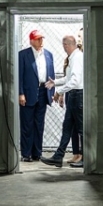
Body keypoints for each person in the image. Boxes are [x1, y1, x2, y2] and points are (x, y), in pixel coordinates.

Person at [42, 35, 83, 169]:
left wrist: (59, 91)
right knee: (67, 127)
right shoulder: (74, 57)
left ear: (66, 45)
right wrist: (55, 83)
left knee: (81, 128)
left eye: (64, 45)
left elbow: (75, 81)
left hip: (77, 95)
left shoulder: (77, 58)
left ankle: (86, 158)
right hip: (74, 96)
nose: (64, 48)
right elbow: (68, 78)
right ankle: (58, 156)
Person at [18, 29, 54, 163]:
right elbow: (19, 76)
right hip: (28, 93)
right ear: (31, 41)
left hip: (43, 91)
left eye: (41, 38)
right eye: (38, 39)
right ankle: (26, 153)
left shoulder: (48, 54)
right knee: (27, 124)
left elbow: (51, 75)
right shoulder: (23, 55)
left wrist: (52, 92)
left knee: (39, 124)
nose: (40, 41)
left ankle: (37, 153)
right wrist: (20, 93)